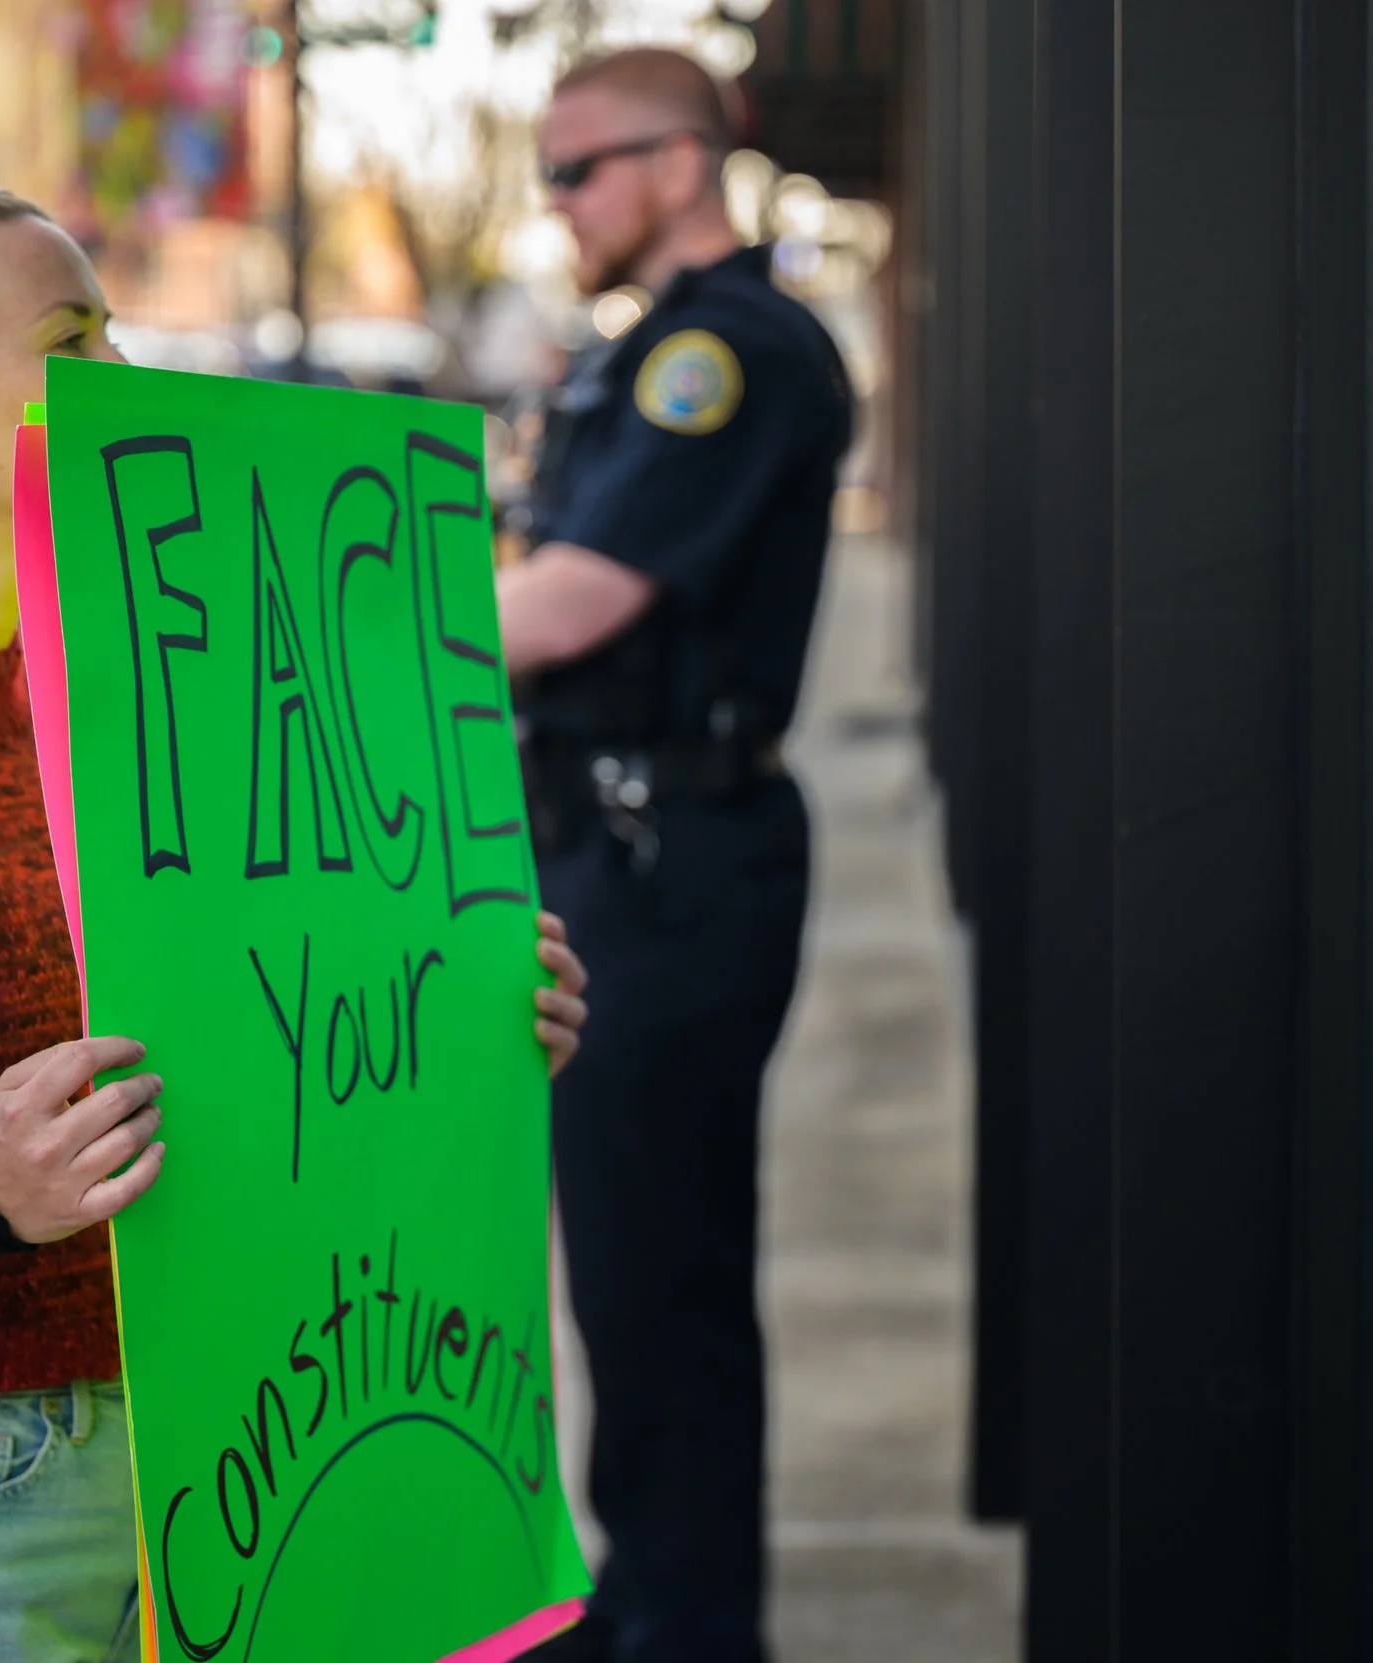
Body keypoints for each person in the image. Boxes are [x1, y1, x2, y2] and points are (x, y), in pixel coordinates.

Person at [0, 137, 592, 1663]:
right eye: (73, 343)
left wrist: (456, 1004)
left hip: (171, 1478)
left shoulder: (131, 704)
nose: (128, 371)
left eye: (114, 329)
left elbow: (252, 1032)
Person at [498, 49, 854, 1663]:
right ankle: (646, 1597)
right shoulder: (657, 352)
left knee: (665, 1277)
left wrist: (343, 622)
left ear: (680, 161)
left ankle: (691, 1631)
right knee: (637, 1268)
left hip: (670, 855)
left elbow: (572, 602)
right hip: (631, 844)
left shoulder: (728, 355)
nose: (558, 202)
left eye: (578, 170)